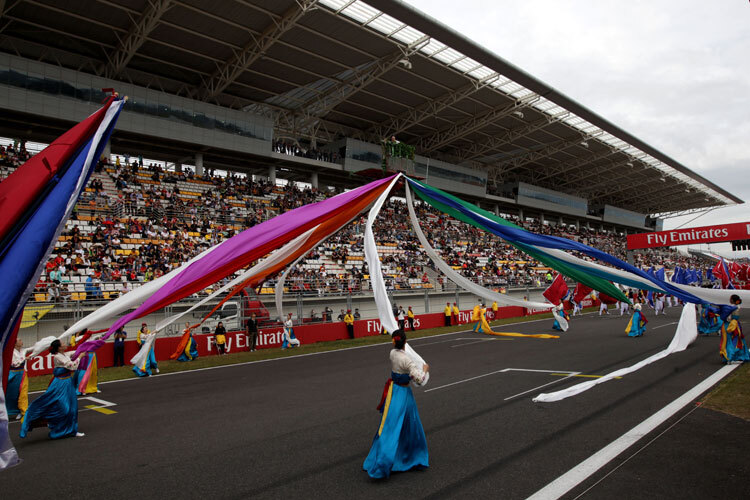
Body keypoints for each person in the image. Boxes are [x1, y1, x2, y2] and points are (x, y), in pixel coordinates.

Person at [363, 330, 429, 479]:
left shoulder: (392, 353)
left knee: (390, 424)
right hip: (404, 393)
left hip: (394, 391)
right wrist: (424, 369)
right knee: (410, 424)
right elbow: (419, 379)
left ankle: (391, 454)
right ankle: (403, 456)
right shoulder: (407, 361)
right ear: (405, 342)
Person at [20, 339, 85, 439]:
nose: (65, 344)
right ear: (59, 347)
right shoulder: (58, 357)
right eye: (63, 343)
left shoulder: (63, 354)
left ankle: (72, 430)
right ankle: (58, 428)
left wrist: (83, 348)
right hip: (60, 384)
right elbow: (72, 366)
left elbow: (72, 353)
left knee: (72, 407)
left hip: (68, 383)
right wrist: (80, 357)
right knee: (64, 408)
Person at [719, 295, 749, 363]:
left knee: (729, 340)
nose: (729, 299)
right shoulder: (734, 306)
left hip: (730, 325)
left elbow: (729, 317)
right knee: (737, 339)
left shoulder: (732, 308)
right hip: (735, 324)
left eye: (730, 298)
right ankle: (738, 355)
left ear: (732, 300)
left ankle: (730, 356)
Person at [6, 338, 28, 421]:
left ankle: (23, 412)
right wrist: (24, 359)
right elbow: (14, 363)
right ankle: (7, 411)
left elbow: (35, 348)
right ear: (15, 344)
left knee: (22, 393)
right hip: (13, 374)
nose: (21, 341)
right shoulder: (10, 352)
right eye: (19, 340)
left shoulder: (24, 350)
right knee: (10, 394)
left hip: (22, 374)